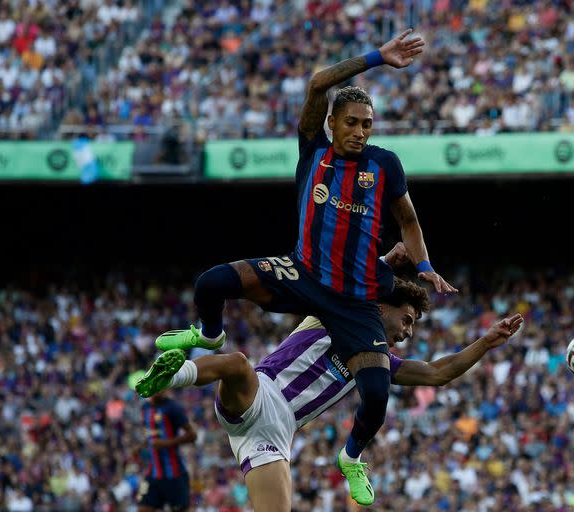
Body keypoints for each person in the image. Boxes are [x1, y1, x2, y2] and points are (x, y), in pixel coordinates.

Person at [154, 29, 456, 505]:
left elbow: (409, 220)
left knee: (376, 393)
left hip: (356, 302)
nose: (360, 131)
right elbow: (317, 84)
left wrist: (424, 264)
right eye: (352, 122)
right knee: (212, 283)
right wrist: (378, 58)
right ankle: (210, 336)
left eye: (368, 125)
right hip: (304, 276)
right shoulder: (313, 151)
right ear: (332, 124)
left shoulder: (385, 166)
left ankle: (352, 457)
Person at [136, 276, 523, 511]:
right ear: (380, 307)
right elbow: (353, 277)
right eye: (406, 320)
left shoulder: (377, 363)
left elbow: (439, 373)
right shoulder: (328, 314)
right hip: (259, 392)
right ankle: (171, 376)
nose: (408, 332)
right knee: (237, 362)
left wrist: (486, 342)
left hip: (276, 436)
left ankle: (175, 374)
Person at [135, 390, 197, 512]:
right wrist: (140, 446)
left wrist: (165, 443)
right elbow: (150, 433)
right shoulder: (145, 408)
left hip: (174, 474)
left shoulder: (173, 408)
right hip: (152, 474)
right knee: (142, 508)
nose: (159, 390)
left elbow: (192, 435)